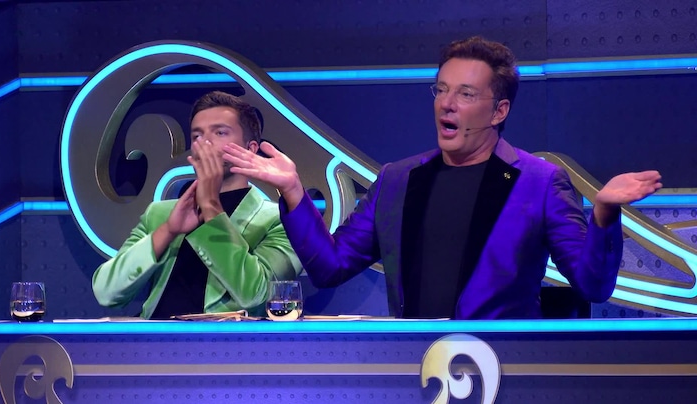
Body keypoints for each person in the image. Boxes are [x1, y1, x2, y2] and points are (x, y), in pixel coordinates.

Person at [222, 36, 663, 319]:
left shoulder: (541, 183)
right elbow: (329, 267)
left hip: (501, 367)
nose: (446, 104)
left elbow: (592, 285)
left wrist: (604, 214)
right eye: (442, 89)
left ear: (499, 111)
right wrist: (293, 191)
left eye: (466, 94)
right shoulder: (397, 180)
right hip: (413, 367)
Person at [92, 91, 302, 319]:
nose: (206, 143)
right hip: (154, 337)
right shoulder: (160, 213)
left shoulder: (281, 220)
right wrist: (168, 231)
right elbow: (106, 293)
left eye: (220, 132)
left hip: (222, 340)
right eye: (197, 135)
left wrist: (211, 207)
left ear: (250, 149)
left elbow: (256, 295)